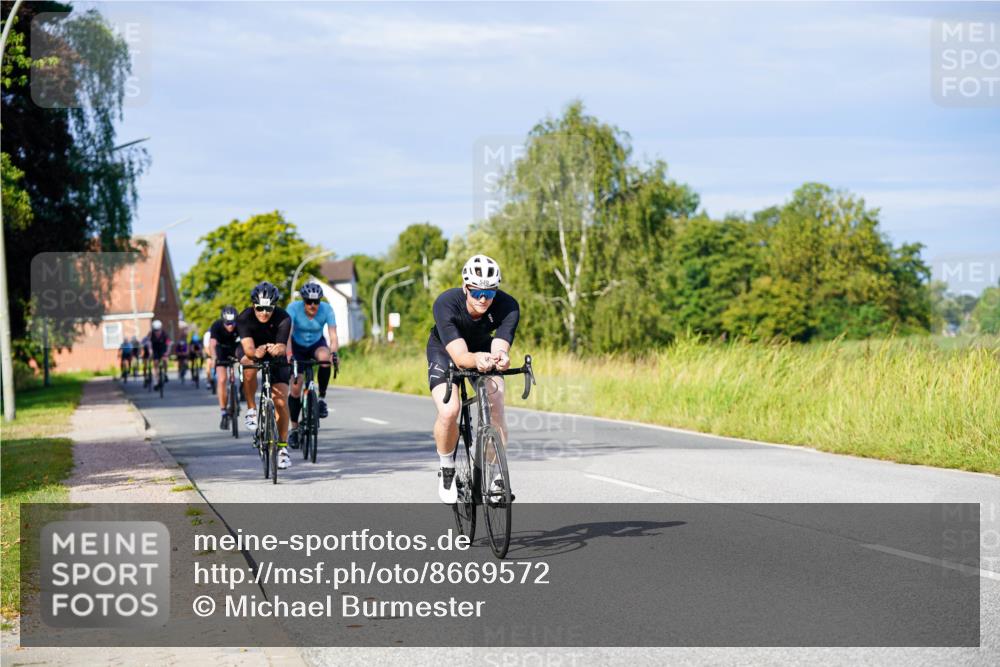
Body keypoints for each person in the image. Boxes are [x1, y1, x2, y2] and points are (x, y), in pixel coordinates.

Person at [426, 255, 519, 503]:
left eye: (489, 293)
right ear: (466, 287)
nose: (483, 299)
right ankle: (447, 468)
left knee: (496, 400)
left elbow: (500, 345)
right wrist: (476, 358)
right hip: (446, 351)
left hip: (481, 348)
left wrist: (501, 357)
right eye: (477, 291)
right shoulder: (446, 303)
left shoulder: (508, 306)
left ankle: (496, 476)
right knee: (449, 410)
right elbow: (460, 356)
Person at [237, 282, 293, 470]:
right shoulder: (244, 317)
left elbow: (283, 346)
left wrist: (279, 348)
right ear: (254, 305)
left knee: (281, 402)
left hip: (275, 354)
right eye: (260, 308)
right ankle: (252, 410)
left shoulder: (284, 317)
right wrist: (256, 353)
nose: (264, 312)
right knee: (248, 364)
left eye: (269, 308)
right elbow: (248, 349)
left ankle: (283, 449)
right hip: (253, 350)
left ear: (274, 306)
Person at [286, 281, 339, 449]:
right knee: (295, 388)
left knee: (325, 358)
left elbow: (333, 336)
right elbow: (286, 335)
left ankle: (321, 398)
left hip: (316, 344)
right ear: (303, 301)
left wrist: (334, 353)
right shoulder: (293, 308)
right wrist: (289, 355)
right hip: (297, 347)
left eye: (316, 302)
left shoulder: (326, 309)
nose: (313, 305)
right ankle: (294, 429)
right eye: (309, 301)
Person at [209, 306, 241, 429]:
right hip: (221, 351)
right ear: (223, 321)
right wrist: (213, 358)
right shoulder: (216, 326)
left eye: (232, 323)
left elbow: (245, 341)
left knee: (245, 369)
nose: (230, 326)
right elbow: (212, 344)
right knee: (222, 379)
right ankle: (223, 411)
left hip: (235, 349)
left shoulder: (239, 325)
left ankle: (241, 391)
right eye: (227, 323)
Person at [149, 320, 171, 391]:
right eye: (155, 330)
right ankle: (156, 381)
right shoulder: (151, 334)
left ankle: (165, 373)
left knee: (165, 360)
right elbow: (149, 343)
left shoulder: (164, 334)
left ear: (161, 329)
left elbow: (168, 344)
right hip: (155, 350)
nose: (157, 332)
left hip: (163, 349)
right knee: (155, 364)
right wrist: (150, 350)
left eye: (158, 330)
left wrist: (167, 352)